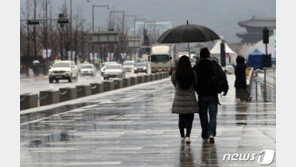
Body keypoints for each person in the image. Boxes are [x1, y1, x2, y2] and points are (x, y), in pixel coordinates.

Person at [193, 48, 228, 143]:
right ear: (209, 55)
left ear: (200, 55)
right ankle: (212, 133)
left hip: (202, 94)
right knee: (213, 115)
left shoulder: (197, 66)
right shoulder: (214, 64)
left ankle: (205, 133)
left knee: (203, 115)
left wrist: (196, 89)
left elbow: (193, 80)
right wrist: (225, 88)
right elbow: (222, 76)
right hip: (213, 94)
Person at [171, 56, 199, 144]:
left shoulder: (175, 73)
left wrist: (178, 88)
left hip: (179, 97)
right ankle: (188, 135)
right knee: (190, 118)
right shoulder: (193, 73)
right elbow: (195, 83)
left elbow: (174, 82)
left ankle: (182, 135)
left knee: (181, 117)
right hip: (190, 97)